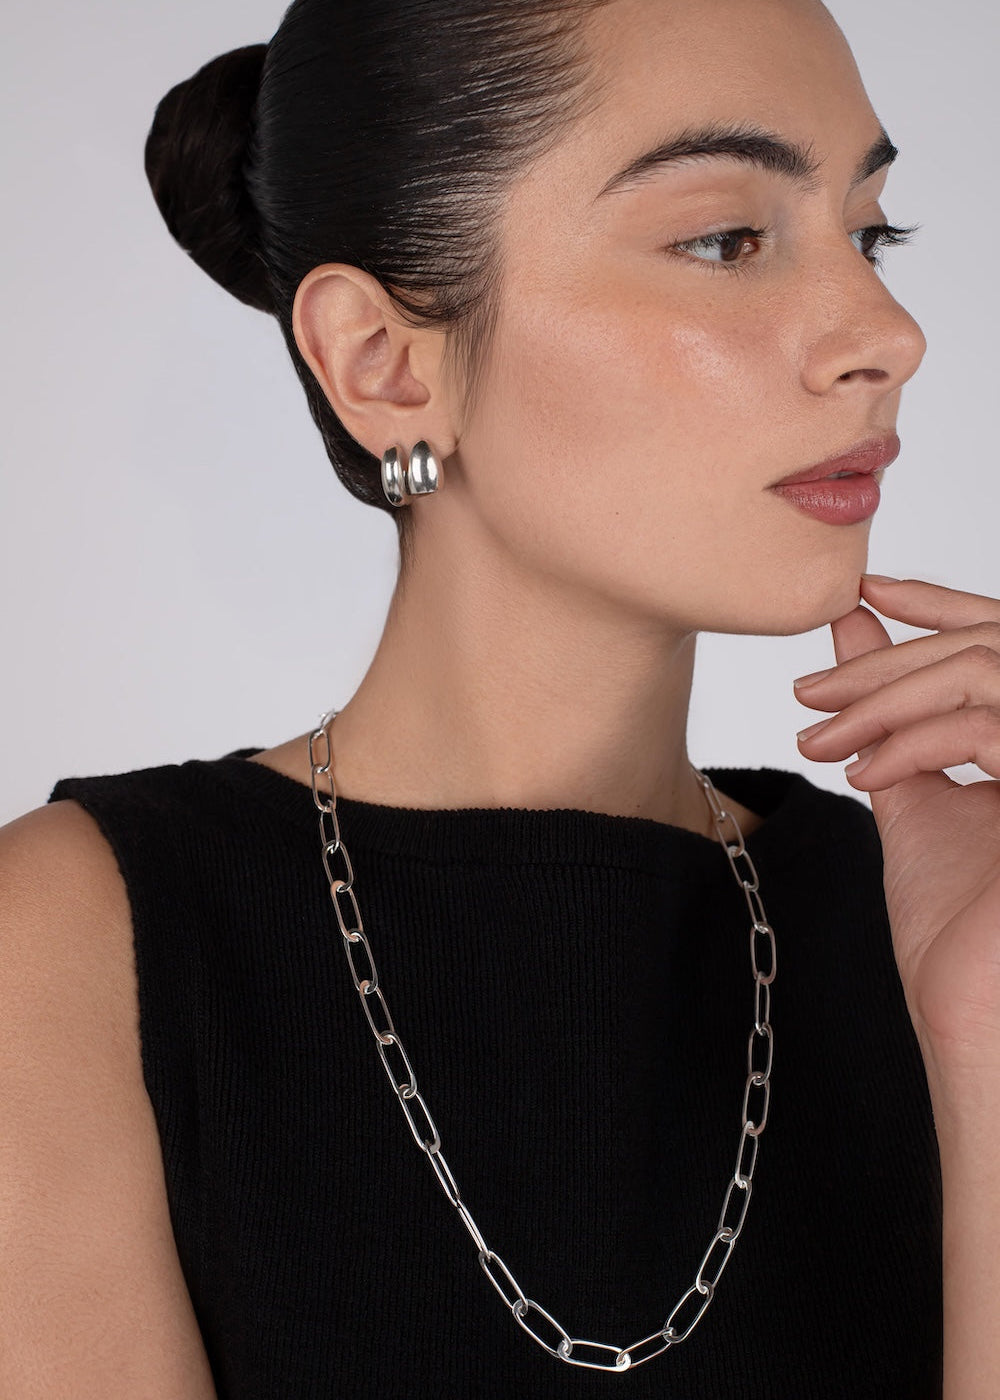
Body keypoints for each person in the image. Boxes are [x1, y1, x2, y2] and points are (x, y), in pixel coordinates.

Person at [2, 0, 999, 1394]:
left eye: (868, 230)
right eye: (726, 238)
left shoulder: (938, 912)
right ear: (382, 362)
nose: (888, 333)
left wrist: (984, 1033)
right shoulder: (73, 941)